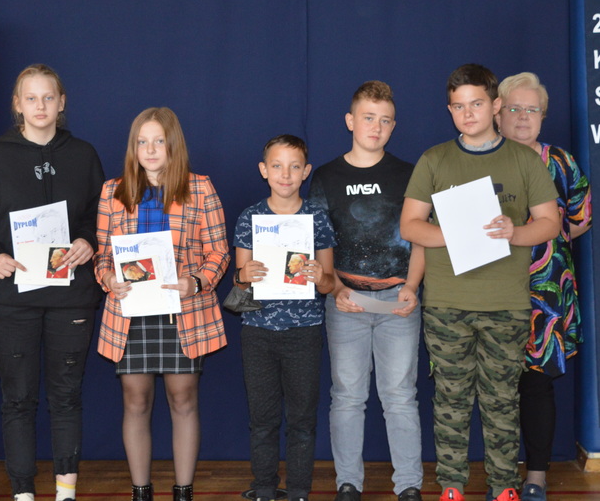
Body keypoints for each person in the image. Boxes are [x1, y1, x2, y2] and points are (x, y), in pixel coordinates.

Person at [400, 64, 560, 501]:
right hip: (447, 303)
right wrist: (455, 232)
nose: (467, 114)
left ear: (495, 105)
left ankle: (504, 487)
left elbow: (549, 222)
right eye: (457, 106)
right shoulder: (434, 159)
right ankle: (451, 487)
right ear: (449, 110)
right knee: (450, 402)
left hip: (506, 303)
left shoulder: (523, 159)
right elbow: (410, 225)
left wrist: (514, 232)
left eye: (475, 104)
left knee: (501, 402)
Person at [0, 64, 105, 501]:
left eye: (48, 97)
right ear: (17, 104)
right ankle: (23, 493)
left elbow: (100, 217)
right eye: (31, 98)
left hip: (71, 297)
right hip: (12, 298)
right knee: (18, 398)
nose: (40, 106)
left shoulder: (83, 154)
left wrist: (88, 241)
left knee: (66, 396)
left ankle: (66, 492)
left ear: (62, 103)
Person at [95, 107, 229, 501]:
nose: (150, 150)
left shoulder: (200, 188)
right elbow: (102, 257)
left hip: (182, 312)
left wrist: (195, 282)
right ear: (133, 147)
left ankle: (183, 491)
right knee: (135, 401)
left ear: (173, 145)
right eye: (142, 142)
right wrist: (109, 280)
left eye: (159, 141)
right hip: (130, 313)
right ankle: (141, 491)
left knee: (183, 399)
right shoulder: (112, 191)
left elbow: (219, 252)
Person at [307, 81, 425, 501]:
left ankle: (408, 484)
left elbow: (421, 238)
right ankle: (348, 483)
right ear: (350, 121)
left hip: (398, 301)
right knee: (347, 396)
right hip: (347, 302)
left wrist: (412, 286)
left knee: (400, 396)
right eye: (368, 117)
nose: (376, 127)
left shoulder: (409, 174)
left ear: (394, 126)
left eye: (385, 120)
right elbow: (321, 243)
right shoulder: (326, 177)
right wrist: (337, 288)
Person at [495, 72, 592, 501]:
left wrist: (547, 242)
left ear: (543, 116)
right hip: (490, 288)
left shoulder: (561, 163)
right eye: (513, 108)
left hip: (546, 294)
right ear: (497, 113)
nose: (522, 117)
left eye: (531, 109)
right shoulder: (481, 160)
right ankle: (499, 477)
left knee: (536, 387)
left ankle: (535, 476)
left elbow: (581, 218)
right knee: (494, 386)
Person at [233, 134, 337, 501]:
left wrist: (319, 277)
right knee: (262, 418)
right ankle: (264, 487)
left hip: (304, 332)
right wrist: (244, 274)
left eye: (294, 167)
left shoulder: (317, 217)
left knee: (302, 420)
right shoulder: (250, 217)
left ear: (306, 172)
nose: (286, 174)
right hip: (258, 332)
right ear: (264, 170)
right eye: (277, 166)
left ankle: (298, 490)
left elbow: (329, 284)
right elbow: (239, 281)